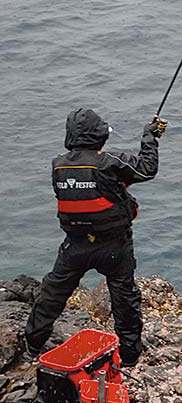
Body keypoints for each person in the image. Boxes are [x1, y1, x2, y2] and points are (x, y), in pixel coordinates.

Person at [24, 108, 166, 366]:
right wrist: (150, 137)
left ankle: (33, 344)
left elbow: (88, 185)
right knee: (124, 297)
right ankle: (130, 355)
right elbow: (146, 170)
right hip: (114, 246)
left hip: (75, 246)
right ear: (99, 135)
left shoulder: (59, 165)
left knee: (53, 292)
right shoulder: (111, 161)